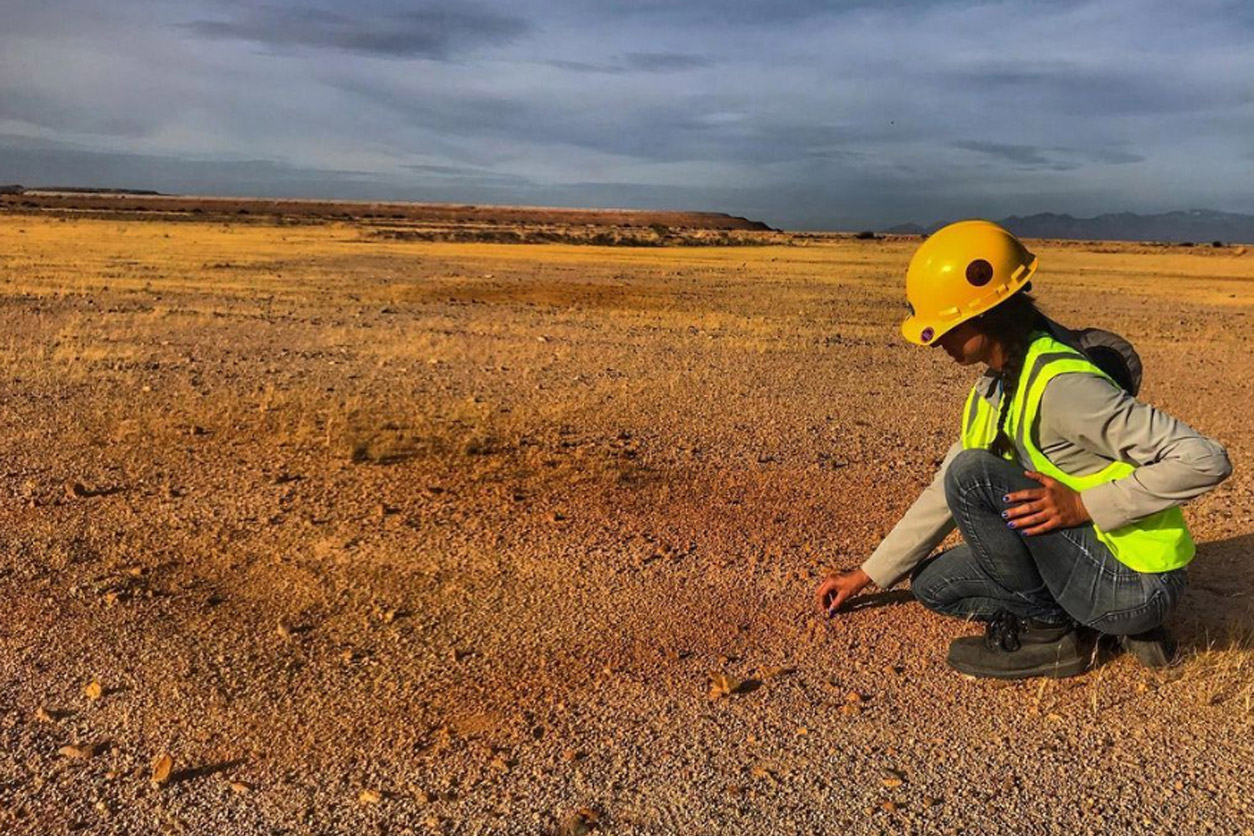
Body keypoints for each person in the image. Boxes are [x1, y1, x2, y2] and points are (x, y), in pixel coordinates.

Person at [814, 220, 1232, 679]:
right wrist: (869, 573)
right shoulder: (995, 388)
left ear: (986, 315)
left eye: (947, 326)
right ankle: (1100, 625)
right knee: (934, 585)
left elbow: (1204, 459)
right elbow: (942, 493)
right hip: (1088, 563)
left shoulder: (1062, 387)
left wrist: (1083, 505)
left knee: (974, 474)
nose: (939, 342)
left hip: (1137, 581)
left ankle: (1053, 636)